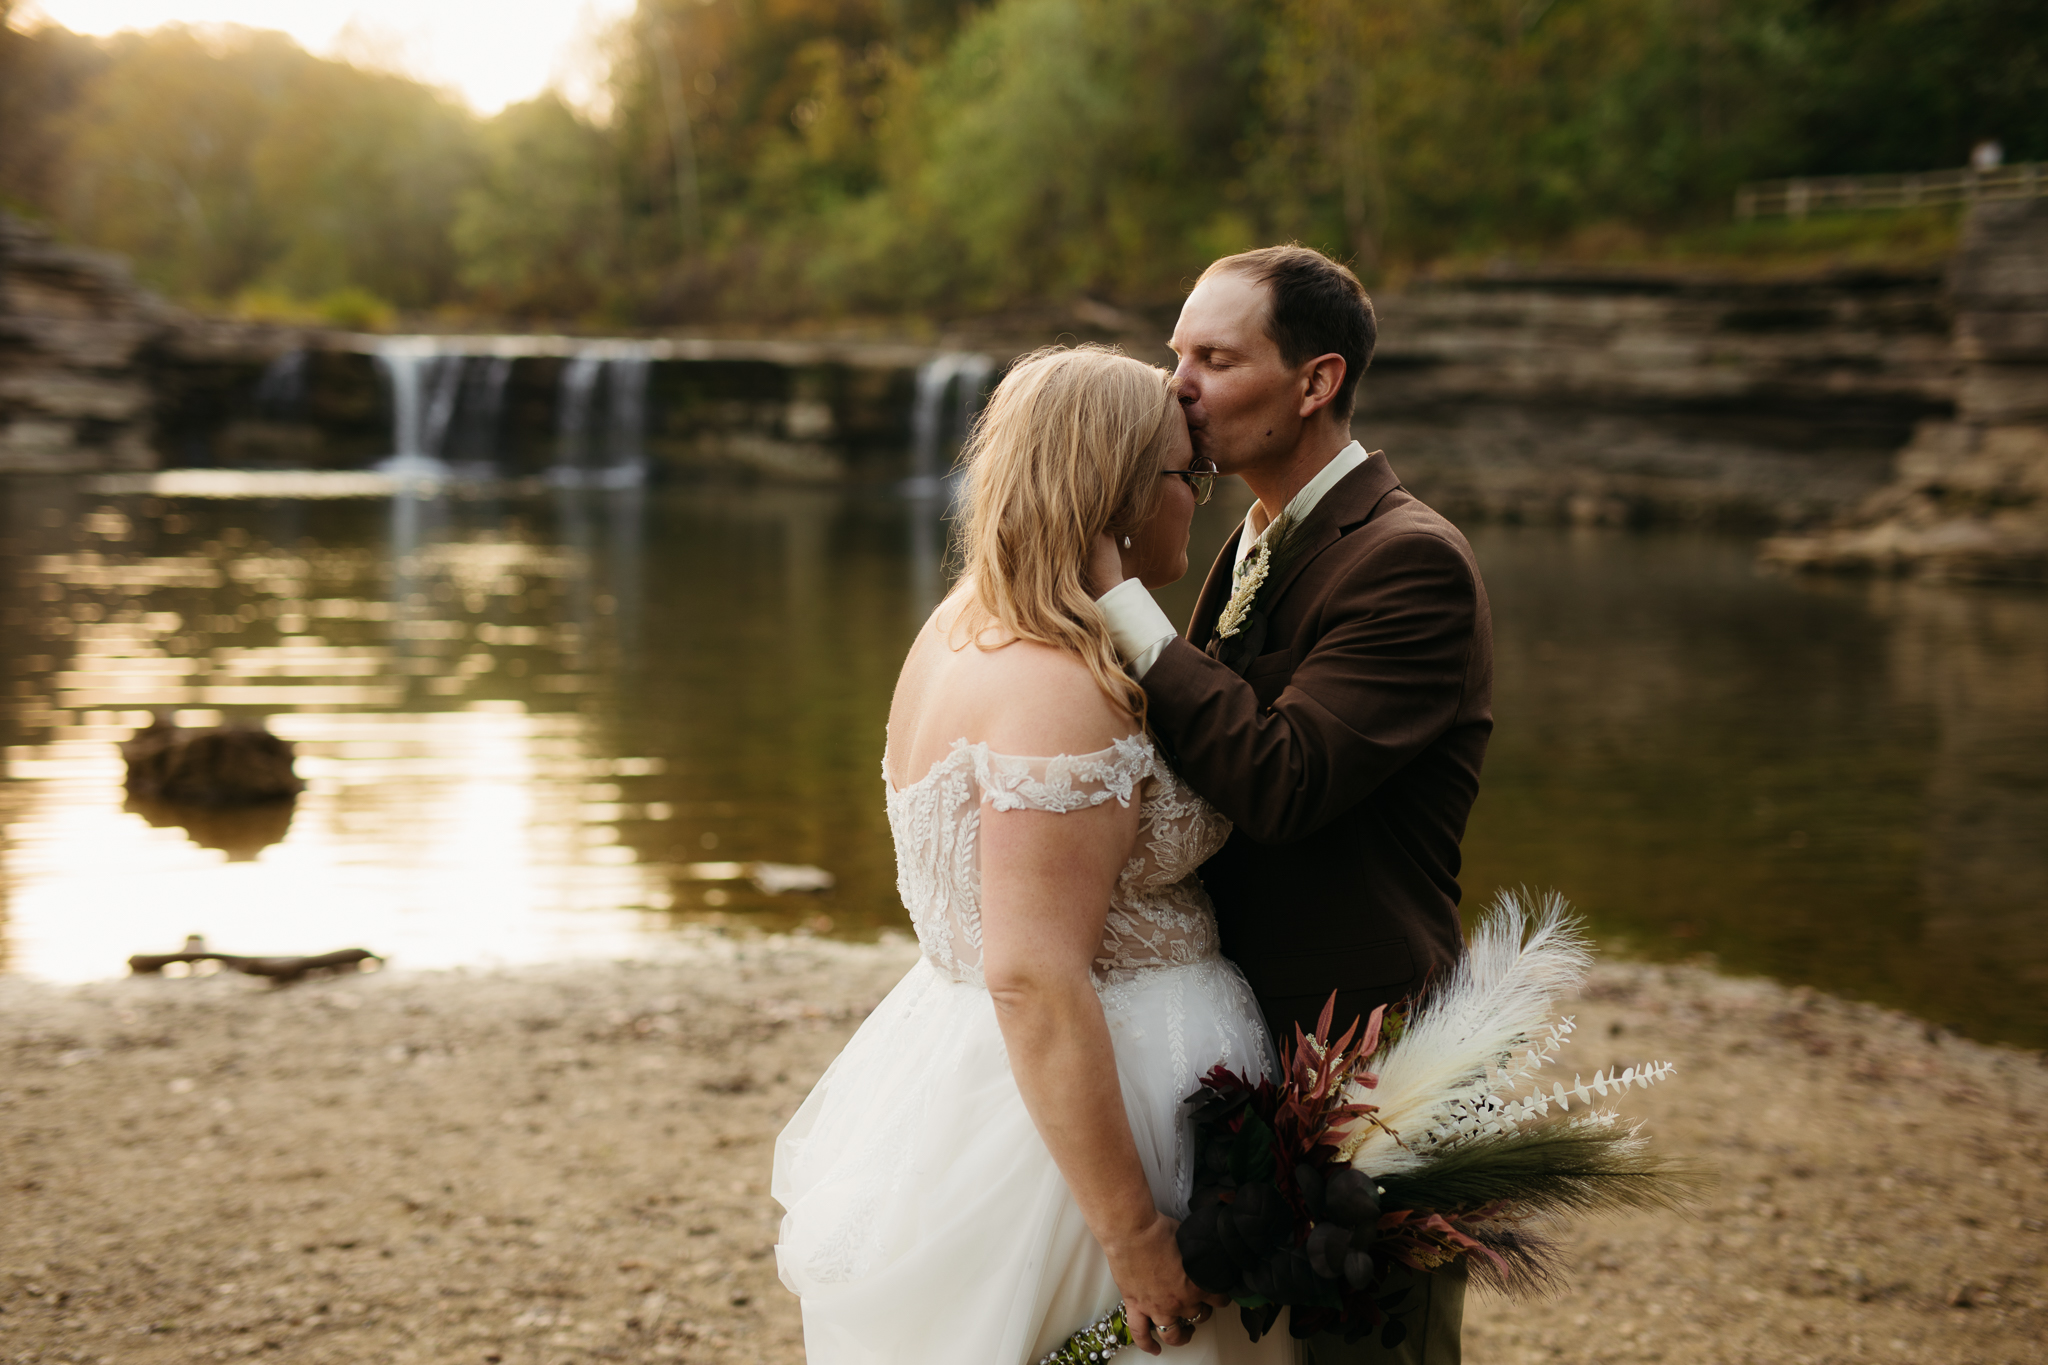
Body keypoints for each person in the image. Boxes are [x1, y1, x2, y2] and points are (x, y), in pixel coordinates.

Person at [773, 345, 1289, 1363]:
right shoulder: (1061, 683)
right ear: (1122, 495)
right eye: (1189, 476)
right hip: (1091, 1112)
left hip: (961, 1066)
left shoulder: (962, 623)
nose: (1201, 501)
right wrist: (1134, 1233)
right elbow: (1034, 975)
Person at [1089, 245, 1495, 1365]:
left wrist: (1127, 613)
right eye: (1176, 353)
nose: (1176, 385)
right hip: (1251, 1024)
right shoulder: (1250, 541)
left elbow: (1280, 781)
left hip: (1365, 1043)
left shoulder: (1408, 562)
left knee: (1372, 1349)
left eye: (1214, 359)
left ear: (1315, 382)